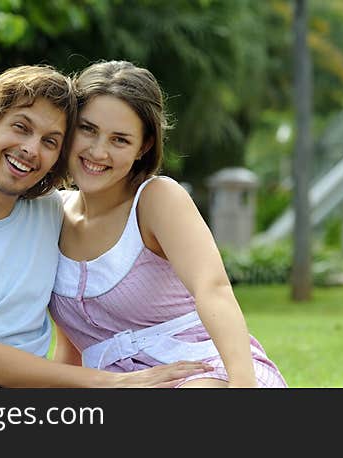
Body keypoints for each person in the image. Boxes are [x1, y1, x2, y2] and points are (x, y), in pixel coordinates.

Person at [0, 64, 210, 388]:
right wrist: (112, 382)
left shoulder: (49, 215)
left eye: (51, 141)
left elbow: (76, 312)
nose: (30, 149)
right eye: (21, 127)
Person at [48, 60, 287, 388]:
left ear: (143, 146)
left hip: (201, 369)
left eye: (119, 140)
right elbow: (70, 347)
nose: (98, 151)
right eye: (87, 129)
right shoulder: (49, 215)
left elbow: (212, 288)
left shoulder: (156, 199)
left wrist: (241, 385)